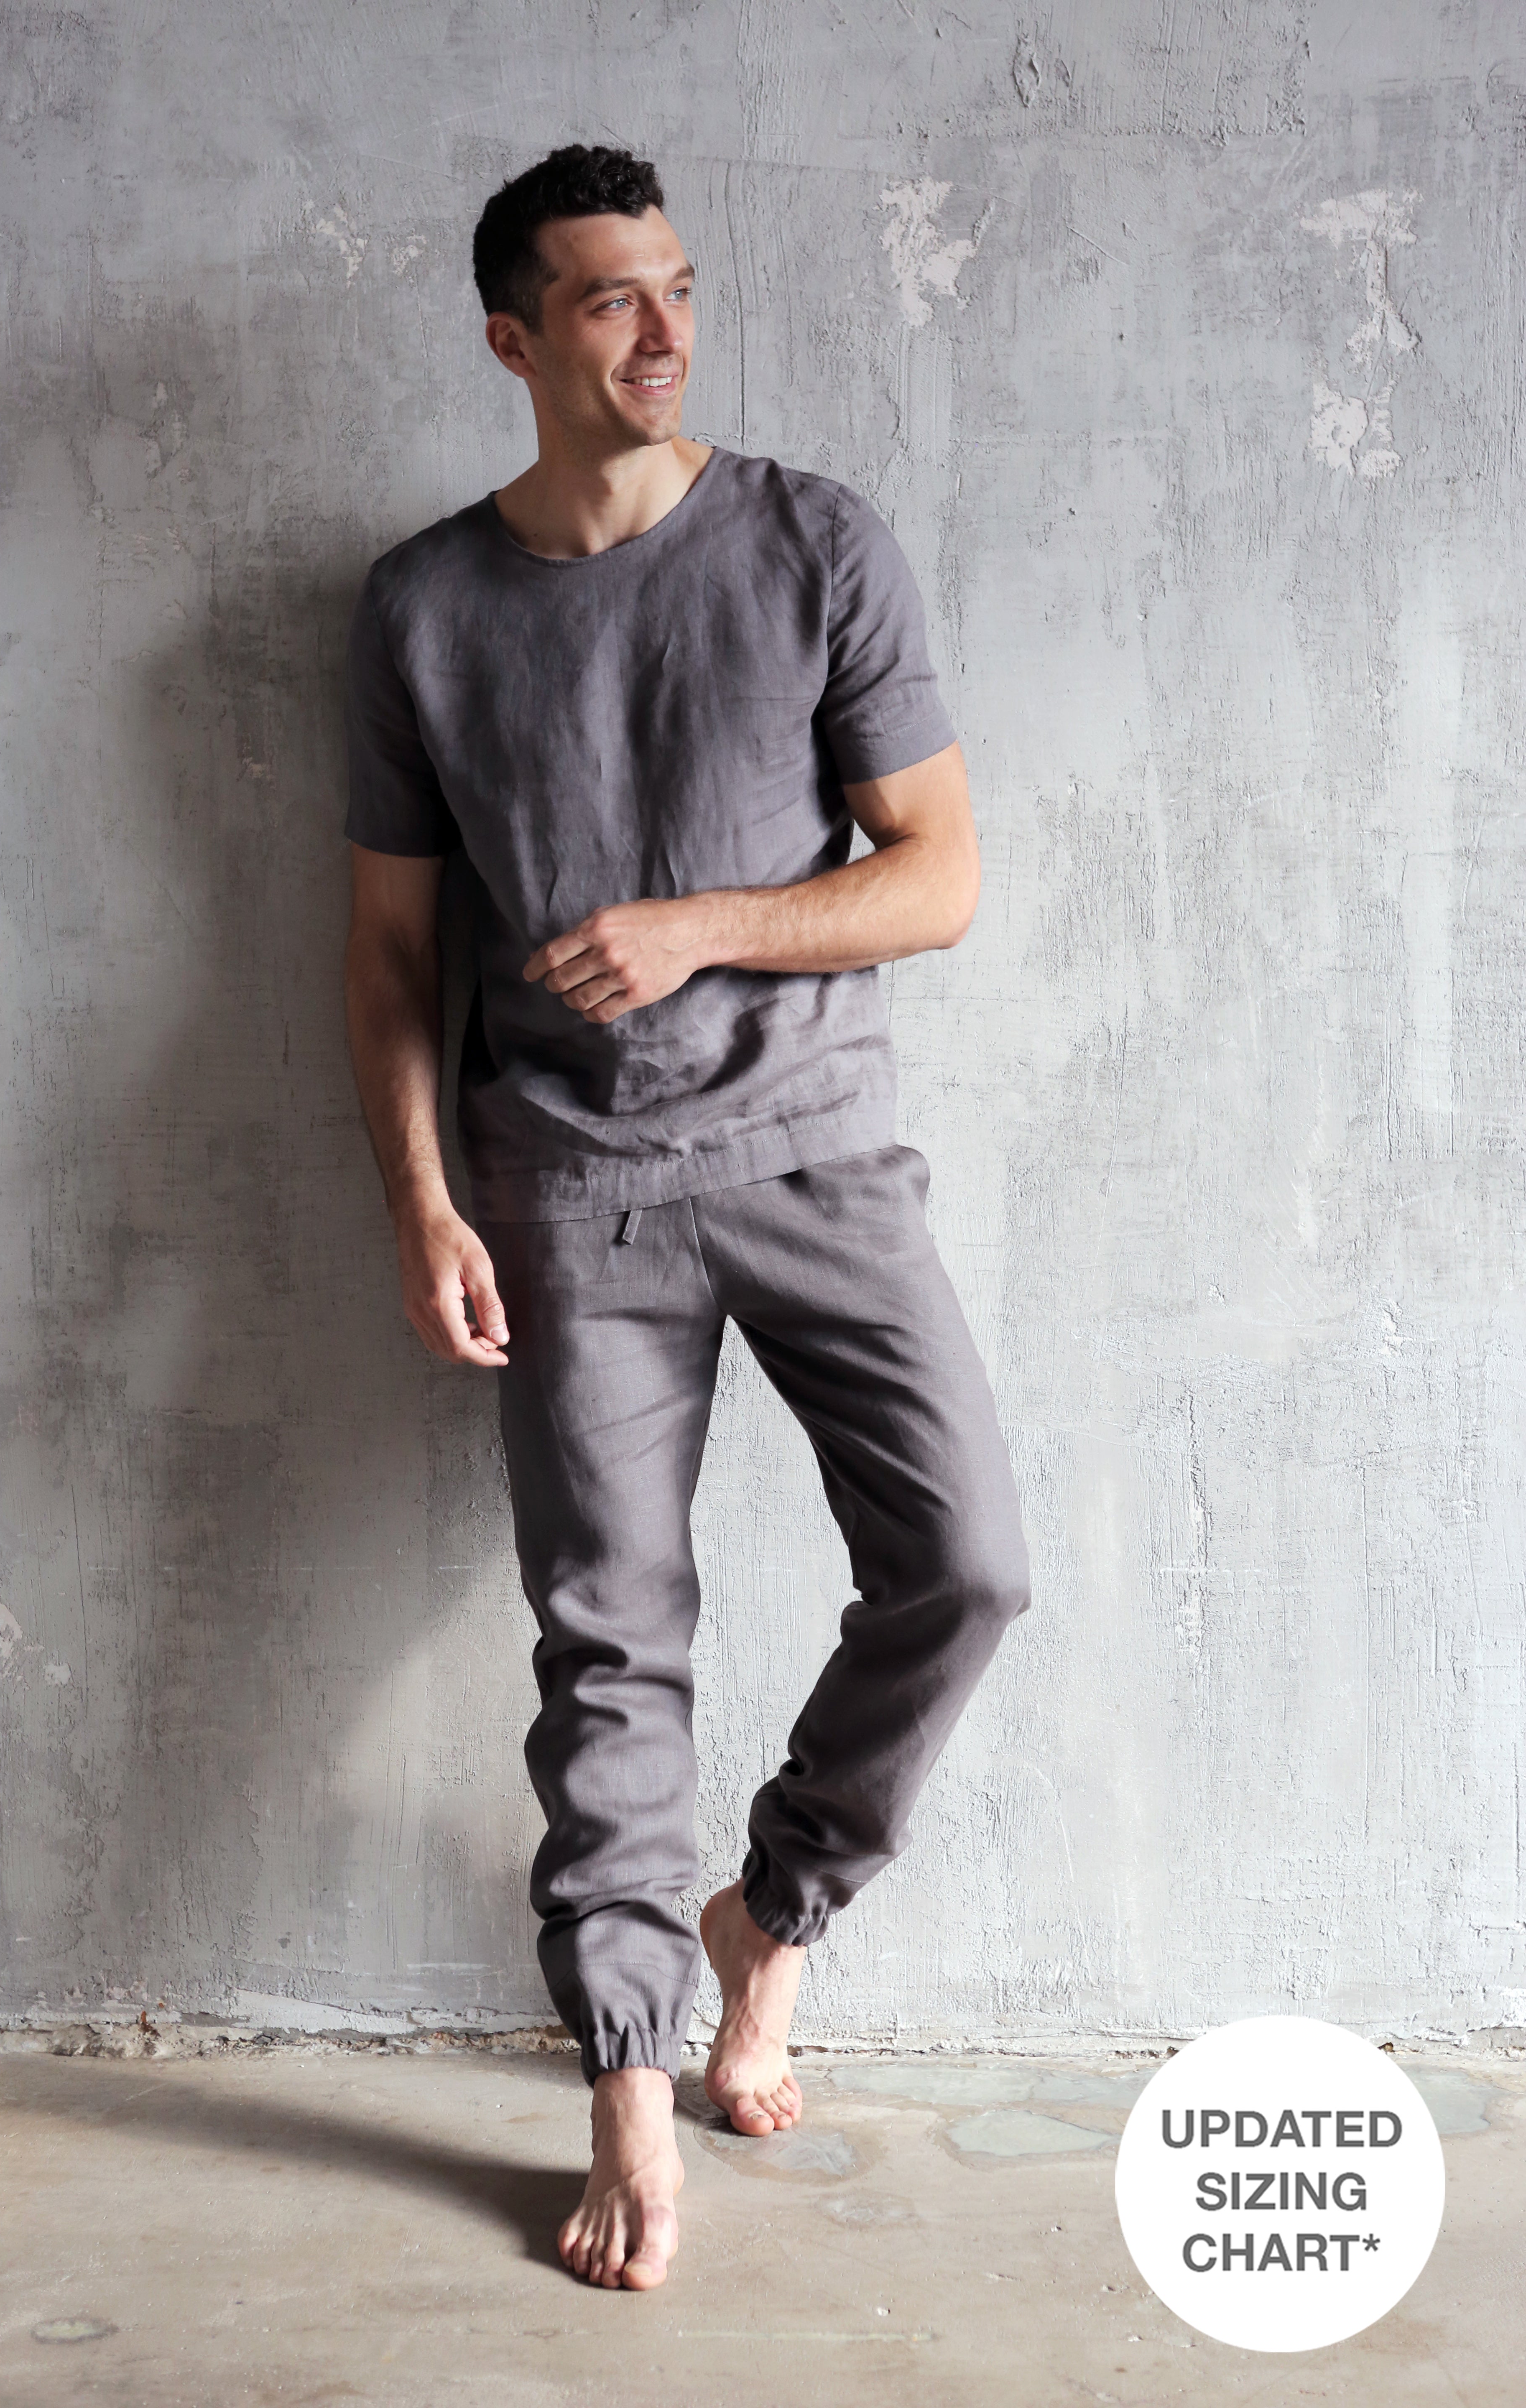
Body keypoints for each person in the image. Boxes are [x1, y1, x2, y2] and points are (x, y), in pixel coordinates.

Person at [342, 143, 1031, 2292]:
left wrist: (704, 928)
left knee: (968, 1566)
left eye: (680, 287)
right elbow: (382, 959)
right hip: (570, 1190)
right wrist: (425, 1200)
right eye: (613, 300)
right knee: (609, 1644)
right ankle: (633, 2093)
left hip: (818, 1152)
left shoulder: (817, 539)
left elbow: (937, 875)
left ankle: (774, 1913)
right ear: (512, 339)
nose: (666, 332)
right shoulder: (425, 608)